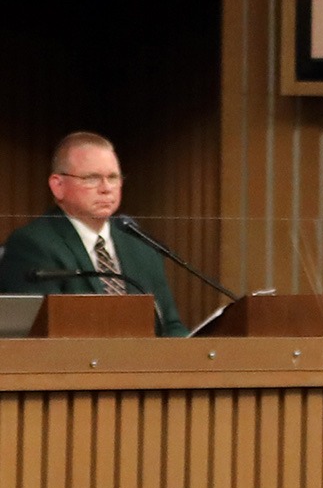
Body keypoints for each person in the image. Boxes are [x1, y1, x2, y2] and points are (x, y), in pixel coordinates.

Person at [0, 131, 187, 335]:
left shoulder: (141, 246)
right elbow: (41, 333)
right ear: (58, 186)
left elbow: (170, 326)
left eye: (113, 177)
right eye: (92, 178)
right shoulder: (32, 245)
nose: (106, 188)